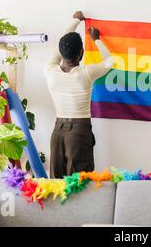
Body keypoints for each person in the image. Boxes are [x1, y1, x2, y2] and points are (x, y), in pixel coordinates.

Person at [45, 11, 113, 178]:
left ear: (61, 52)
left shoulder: (50, 71)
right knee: (81, 188)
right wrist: (96, 39)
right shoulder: (86, 74)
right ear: (81, 53)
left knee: (55, 188)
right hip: (79, 134)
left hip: (57, 134)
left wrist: (75, 21)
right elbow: (110, 62)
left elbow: (57, 50)